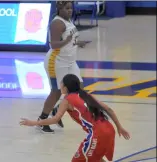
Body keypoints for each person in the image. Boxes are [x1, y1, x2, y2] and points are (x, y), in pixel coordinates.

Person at [20, 74, 130, 162]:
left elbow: (55, 119)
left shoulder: (67, 100)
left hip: (98, 133)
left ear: (66, 87)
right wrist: (119, 127)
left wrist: (34, 122)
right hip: (109, 129)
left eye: (61, 83)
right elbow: (108, 109)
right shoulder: (85, 95)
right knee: (95, 158)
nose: (60, 85)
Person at [39, 1, 88, 133]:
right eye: (67, 8)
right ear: (59, 9)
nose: (70, 11)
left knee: (79, 90)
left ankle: (58, 109)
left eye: (71, 8)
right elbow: (54, 44)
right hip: (57, 61)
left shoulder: (68, 21)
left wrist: (78, 43)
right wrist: (67, 41)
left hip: (70, 61)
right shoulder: (57, 23)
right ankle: (42, 120)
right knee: (56, 92)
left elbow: (70, 39)